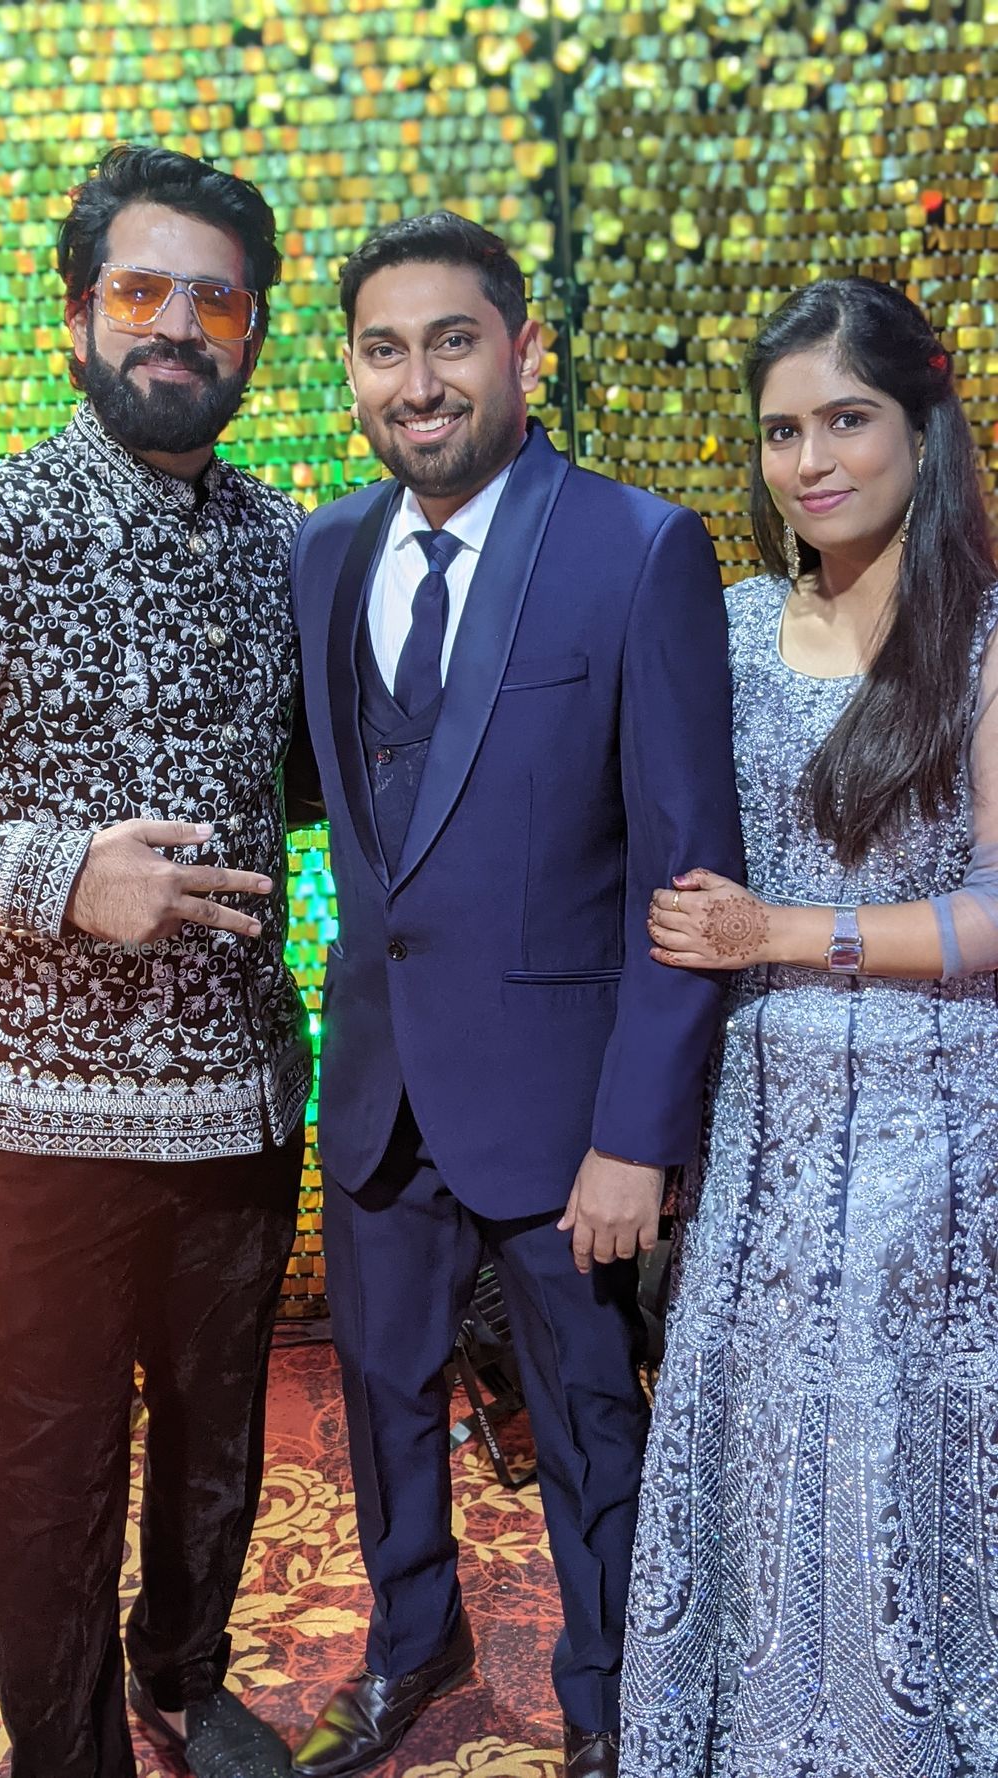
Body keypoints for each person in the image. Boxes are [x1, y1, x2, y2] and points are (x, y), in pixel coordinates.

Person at [288, 211, 743, 1778]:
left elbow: (687, 872)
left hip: (567, 1115)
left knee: (593, 1423)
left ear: (525, 351)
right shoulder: (324, 551)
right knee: (382, 1396)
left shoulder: (638, 548)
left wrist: (640, 1132)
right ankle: (413, 1637)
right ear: (353, 369)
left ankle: (611, 1691)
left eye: (452, 341)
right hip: (377, 1083)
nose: (418, 382)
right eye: (384, 349)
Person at [623, 277, 998, 1778]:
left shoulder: (980, 637)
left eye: (847, 420)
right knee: (759, 1447)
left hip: (935, 1139)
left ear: (922, 425)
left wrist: (784, 932)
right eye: (783, 431)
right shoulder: (723, 628)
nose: (811, 461)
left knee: (893, 1459)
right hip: (763, 1131)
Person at [0, 145, 313, 1778]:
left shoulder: (288, 544)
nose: (177, 325)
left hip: (244, 1102)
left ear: (251, 332)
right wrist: (60, 876)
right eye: (140, 290)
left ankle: (184, 1677)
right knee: (49, 1475)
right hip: (39, 1125)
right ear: (74, 317)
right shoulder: (6, 520)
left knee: (215, 1446)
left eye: (216, 300)